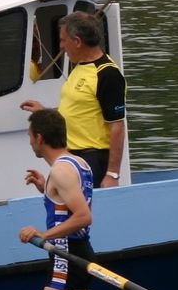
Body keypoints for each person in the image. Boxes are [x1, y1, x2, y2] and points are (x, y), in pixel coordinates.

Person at [17, 107, 96, 290]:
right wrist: (46, 187)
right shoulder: (78, 163)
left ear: (39, 137)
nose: (30, 143)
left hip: (65, 257)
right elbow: (68, 203)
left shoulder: (60, 172)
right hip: (81, 252)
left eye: (30, 137)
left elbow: (84, 217)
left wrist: (43, 234)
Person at [21, 10, 126, 189]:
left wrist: (112, 174)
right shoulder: (79, 68)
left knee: (80, 210)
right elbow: (78, 110)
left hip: (92, 158)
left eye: (63, 40)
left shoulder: (107, 74)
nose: (61, 46)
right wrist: (44, 111)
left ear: (77, 42)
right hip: (72, 156)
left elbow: (117, 125)